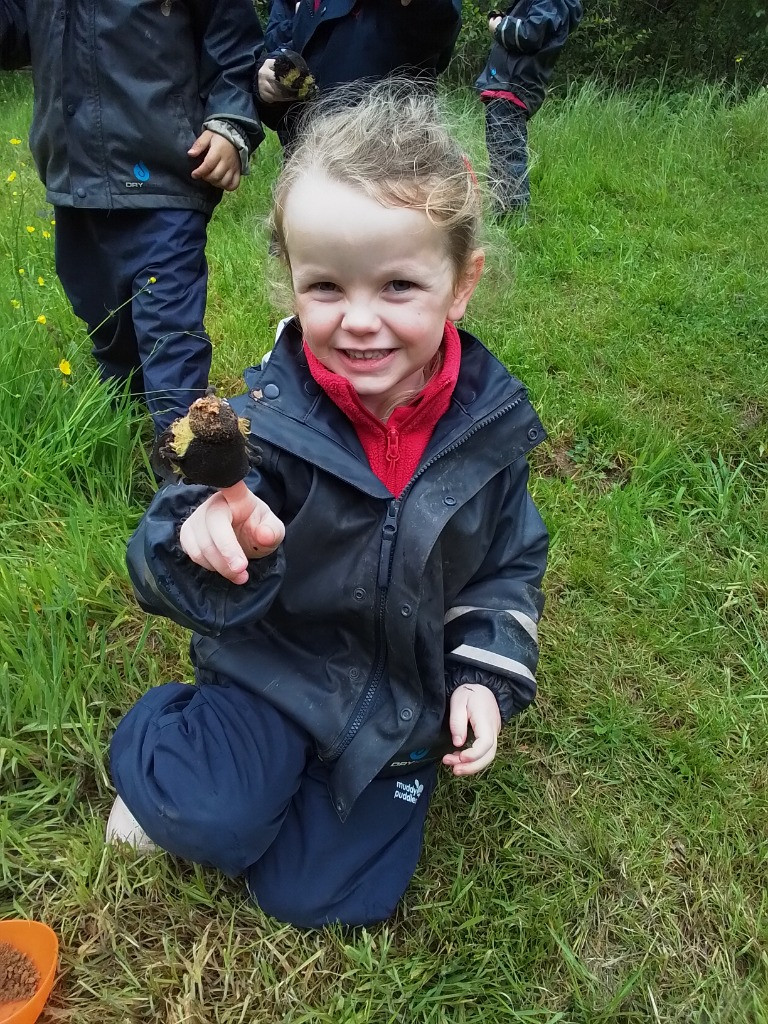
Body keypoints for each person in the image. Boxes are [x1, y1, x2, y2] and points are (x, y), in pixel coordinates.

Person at [107, 84, 549, 929]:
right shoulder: (270, 419)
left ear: (461, 284)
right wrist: (199, 529)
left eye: (398, 287)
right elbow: (205, 501)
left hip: (397, 704)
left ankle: (294, 799)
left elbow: (507, 568)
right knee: (209, 816)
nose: (359, 323)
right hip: (274, 673)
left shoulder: (487, 436)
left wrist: (485, 677)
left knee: (323, 898)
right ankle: (170, 744)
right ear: (292, 283)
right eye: (324, 288)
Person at [0, 0, 265, 437]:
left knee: (167, 330)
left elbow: (232, 40)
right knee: (103, 313)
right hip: (75, 177)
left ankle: (185, 458)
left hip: (165, 173)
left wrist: (229, 122)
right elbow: (16, 36)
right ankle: (126, 407)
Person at [256, 0, 462, 152]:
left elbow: (440, 29)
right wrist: (268, 81)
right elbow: (291, 46)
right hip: (310, 158)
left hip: (387, 158)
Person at [475, 0, 583, 214]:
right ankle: (503, 207)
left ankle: (513, 213)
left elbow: (529, 34)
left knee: (508, 153)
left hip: (514, 84)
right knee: (501, 151)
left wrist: (499, 26)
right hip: (507, 84)